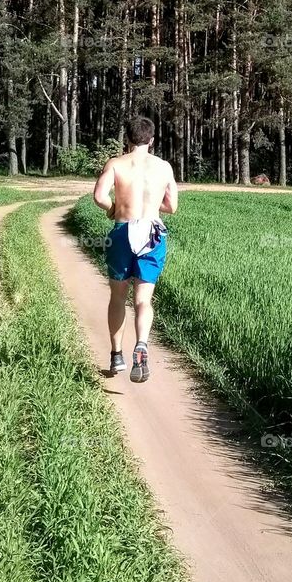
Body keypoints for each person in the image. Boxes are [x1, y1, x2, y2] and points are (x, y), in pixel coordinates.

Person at [93, 116, 178, 383]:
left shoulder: (116, 164)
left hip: (122, 231)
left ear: (128, 139)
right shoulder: (164, 167)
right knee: (143, 299)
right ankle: (141, 345)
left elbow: (99, 196)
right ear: (151, 140)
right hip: (152, 233)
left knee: (118, 297)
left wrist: (114, 208)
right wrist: (151, 208)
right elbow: (172, 206)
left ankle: (116, 355)